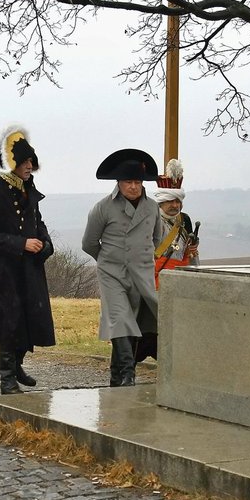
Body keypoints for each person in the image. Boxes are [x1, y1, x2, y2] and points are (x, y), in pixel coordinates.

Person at [0, 126, 56, 394]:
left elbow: (38, 221)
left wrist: (46, 244)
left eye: (30, 162)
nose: (29, 167)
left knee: (29, 316)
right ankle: (7, 377)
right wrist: (21, 243)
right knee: (9, 319)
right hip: (3, 268)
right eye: (23, 162)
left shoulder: (28, 190)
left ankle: (18, 364)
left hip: (29, 267)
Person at [82, 149, 163, 387]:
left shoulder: (152, 208)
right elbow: (88, 243)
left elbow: (156, 240)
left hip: (142, 274)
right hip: (112, 273)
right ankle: (128, 374)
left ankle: (117, 377)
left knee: (137, 322)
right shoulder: (103, 208)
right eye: (129, 182)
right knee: (120, 319)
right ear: (118, 183)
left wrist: (141, 259)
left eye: (137, 182)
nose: (134, 187)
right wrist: (109, 260)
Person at [152, 159, 200, 289]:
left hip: (180, 277)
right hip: (155, 278)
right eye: (170, 201)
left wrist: (192, 249)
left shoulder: (184, 220)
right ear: (161, 202)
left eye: (177, 201)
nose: (175, 205)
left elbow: (189, 252)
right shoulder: (151, 219)